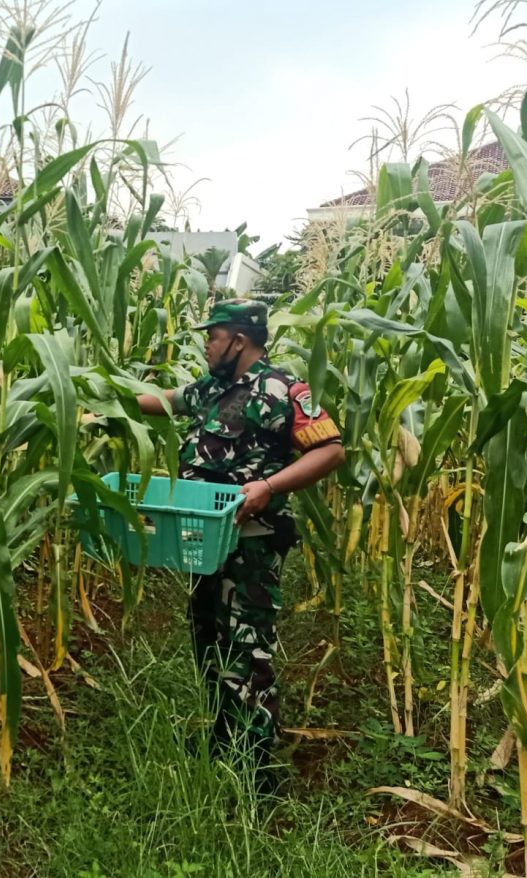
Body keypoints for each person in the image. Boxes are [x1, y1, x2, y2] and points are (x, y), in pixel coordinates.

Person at [136, 298, 345, 787]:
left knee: (247, 647)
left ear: (239, 340)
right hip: (204, 541)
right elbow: (167, 400)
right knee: (208, 640)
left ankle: (256, 766)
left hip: (249, 545)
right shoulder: (213, 387)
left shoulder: (281, 390)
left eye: (213, 336)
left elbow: (331, 450)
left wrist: (268, 488)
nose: (206, 344)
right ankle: (224, 735)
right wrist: (100, 397)